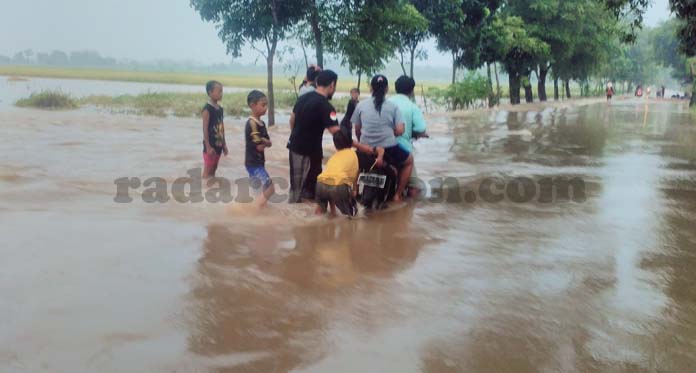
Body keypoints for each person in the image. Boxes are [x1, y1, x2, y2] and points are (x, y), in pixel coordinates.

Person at [352, 74, 414, 203]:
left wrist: (362, 141)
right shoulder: (393, 107)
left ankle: (355, 190)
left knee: (356, 163)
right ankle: (397, 195)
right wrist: (392, 133)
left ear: (370, 88)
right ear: (386, 89)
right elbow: (401, 130)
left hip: (366, 149)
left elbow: (357, 129)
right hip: (389, 150)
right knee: (409, 161)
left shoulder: (361, 105)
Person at [288, 69, 341, 203]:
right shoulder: (327, 107)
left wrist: (297, 136)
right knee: (311, 192)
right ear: (332, 85)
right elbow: (337, 133)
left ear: (317, 82)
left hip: (295, 148)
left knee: (296, 191)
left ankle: (295, 218)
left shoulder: (302, 98)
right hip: (310, 153)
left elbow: (292, 120)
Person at [315, 128, 384, 217]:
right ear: (351, 142)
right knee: (352, 216)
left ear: (335, 146)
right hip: (339, 186)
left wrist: (333, 211)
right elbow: (376, 164)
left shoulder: (333, 157)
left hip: (320, 184)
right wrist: (380, 153)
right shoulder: (355, 154)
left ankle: (327, 218)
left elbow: (331, 181)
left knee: (320, 214)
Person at [388, 75, 428, 197]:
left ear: (395, 88)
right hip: (401, 149)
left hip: (379, 146)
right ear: (411, 91)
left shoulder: (385, 103)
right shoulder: (412, 107)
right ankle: (404, 205)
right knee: (414, 187)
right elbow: (421, 129)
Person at [244, 90, 274, 208]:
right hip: (253, 163)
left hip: (258, 162)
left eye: (266, 105)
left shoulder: (261, 123)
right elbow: (259, 144)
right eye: (263, 105)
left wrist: (264, 142)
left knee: (258, 191)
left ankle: (256, 212)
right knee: (270, 188)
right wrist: (265, 142)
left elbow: (267, 142)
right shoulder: (252, 124)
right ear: (252, 105)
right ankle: (253, 211)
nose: (266, 108)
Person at [202, 80, 228, 179]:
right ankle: (204, 188)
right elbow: (205, 128)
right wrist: (208, 147)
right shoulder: (207, 109)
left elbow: (221, 127)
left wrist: (224, 144)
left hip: (219, 144)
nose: (221, 94)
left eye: (222, 91)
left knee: (214, 168)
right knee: (207, 170)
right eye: (219, 91)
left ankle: (211, 190)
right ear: (210, 92)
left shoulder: (220, 109)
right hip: (210, 145)